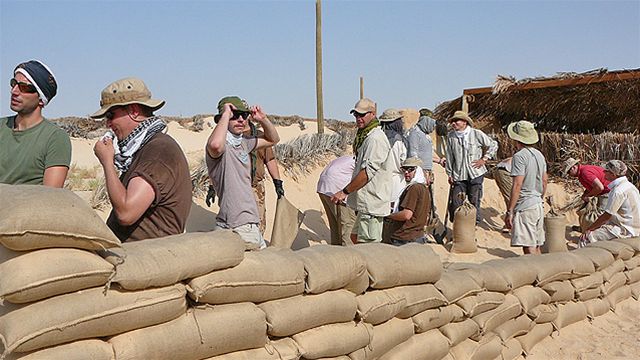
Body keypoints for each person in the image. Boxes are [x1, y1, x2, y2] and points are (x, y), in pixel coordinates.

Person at [92, 77, 192, 242]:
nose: (108, 124)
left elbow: (126, 213)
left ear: (134, 111)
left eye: (111, 115)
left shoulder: (158, 152)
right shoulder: (145, 148)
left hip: (145, 258)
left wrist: (107, 163)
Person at [206, 96, 280, 250]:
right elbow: (215, 145)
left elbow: (273, 140)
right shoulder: (221, 145)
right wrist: (226, 114)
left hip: (249, 224)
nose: (240, 119)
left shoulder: (243, 143)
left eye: (244, 115)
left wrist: (263, 119)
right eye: (235, 115)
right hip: (238, 225)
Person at [331, 98, 393, 243]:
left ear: (372, 114)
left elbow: (367, 173)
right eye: (356, 115)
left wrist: (345, 192)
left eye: (362, 115)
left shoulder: (375, 139)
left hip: (372, 204)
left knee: (369, 247)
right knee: (356, 238)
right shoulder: (365, 136)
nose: (358, 118)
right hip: (365, 204)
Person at [0, 60, 71, 187]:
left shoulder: (55, 138)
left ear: (41, 100)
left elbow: (50, 195)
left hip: (28, 206)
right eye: (14, 83)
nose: (14, 91)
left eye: (24, 88)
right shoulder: (1, 127)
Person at [445, 110, 498, 224]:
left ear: (464, 122)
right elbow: (449, 156)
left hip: (476, 173)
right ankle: (458, 229)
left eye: (456, 121)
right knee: (456, 203)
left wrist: (484, 159)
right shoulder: (451, 137)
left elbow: (493, 145)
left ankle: (472, 229)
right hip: (459, 175)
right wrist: (449, 173)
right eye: (452, 121)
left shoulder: (476, 134)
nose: (454, 123)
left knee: (474, 202)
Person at [504, 120, 547, 255]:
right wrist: (541, 198)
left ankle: (535, 274)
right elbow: (545, 180)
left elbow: (517, 184)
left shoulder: (519, 156)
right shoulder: (539, 155)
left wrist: (510, 210)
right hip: (538, 203)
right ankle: (542, 273)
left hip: (526, 205)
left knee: (528, 246)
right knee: (537, 244)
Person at [580, 160, 640, 245]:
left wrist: (589, 229)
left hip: (626, 229)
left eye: (606, 171)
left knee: (585, 238)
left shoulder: (617, 191)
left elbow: (607, 215)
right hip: (635, 227)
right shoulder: (631, 186)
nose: (603, 172)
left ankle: (584, 258)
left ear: (613, 175)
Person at [244, 121, 285, 235]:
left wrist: (277, 182)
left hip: (256, 187)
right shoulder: (228, 136)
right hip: (235, 188)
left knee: (259, 223)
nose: (240, 118)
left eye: (243, 113)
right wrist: (212, 186)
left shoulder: (259, 136)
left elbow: (269, 159)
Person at [384, 157, 431, 245]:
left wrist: (388, 215)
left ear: (418, 171)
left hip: (404, 238)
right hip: (417, 237)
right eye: (404, 169)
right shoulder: (424, 189)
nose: (406, 172)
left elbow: (406, 215)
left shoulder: (414, 188)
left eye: (410, 170)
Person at [317, 155, 357, 246]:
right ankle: (349, 255)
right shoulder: (361, 160)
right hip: (337, 188)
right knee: (348, 226)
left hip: (323, 188)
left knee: (335, 226)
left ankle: (335, 253)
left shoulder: (348, 158)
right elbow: (363, 177)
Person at [378, 108, 407, 208]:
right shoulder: (399, 141)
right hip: (397, 183)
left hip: (380, 183)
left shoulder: (377, 138)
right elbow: (403, 163)